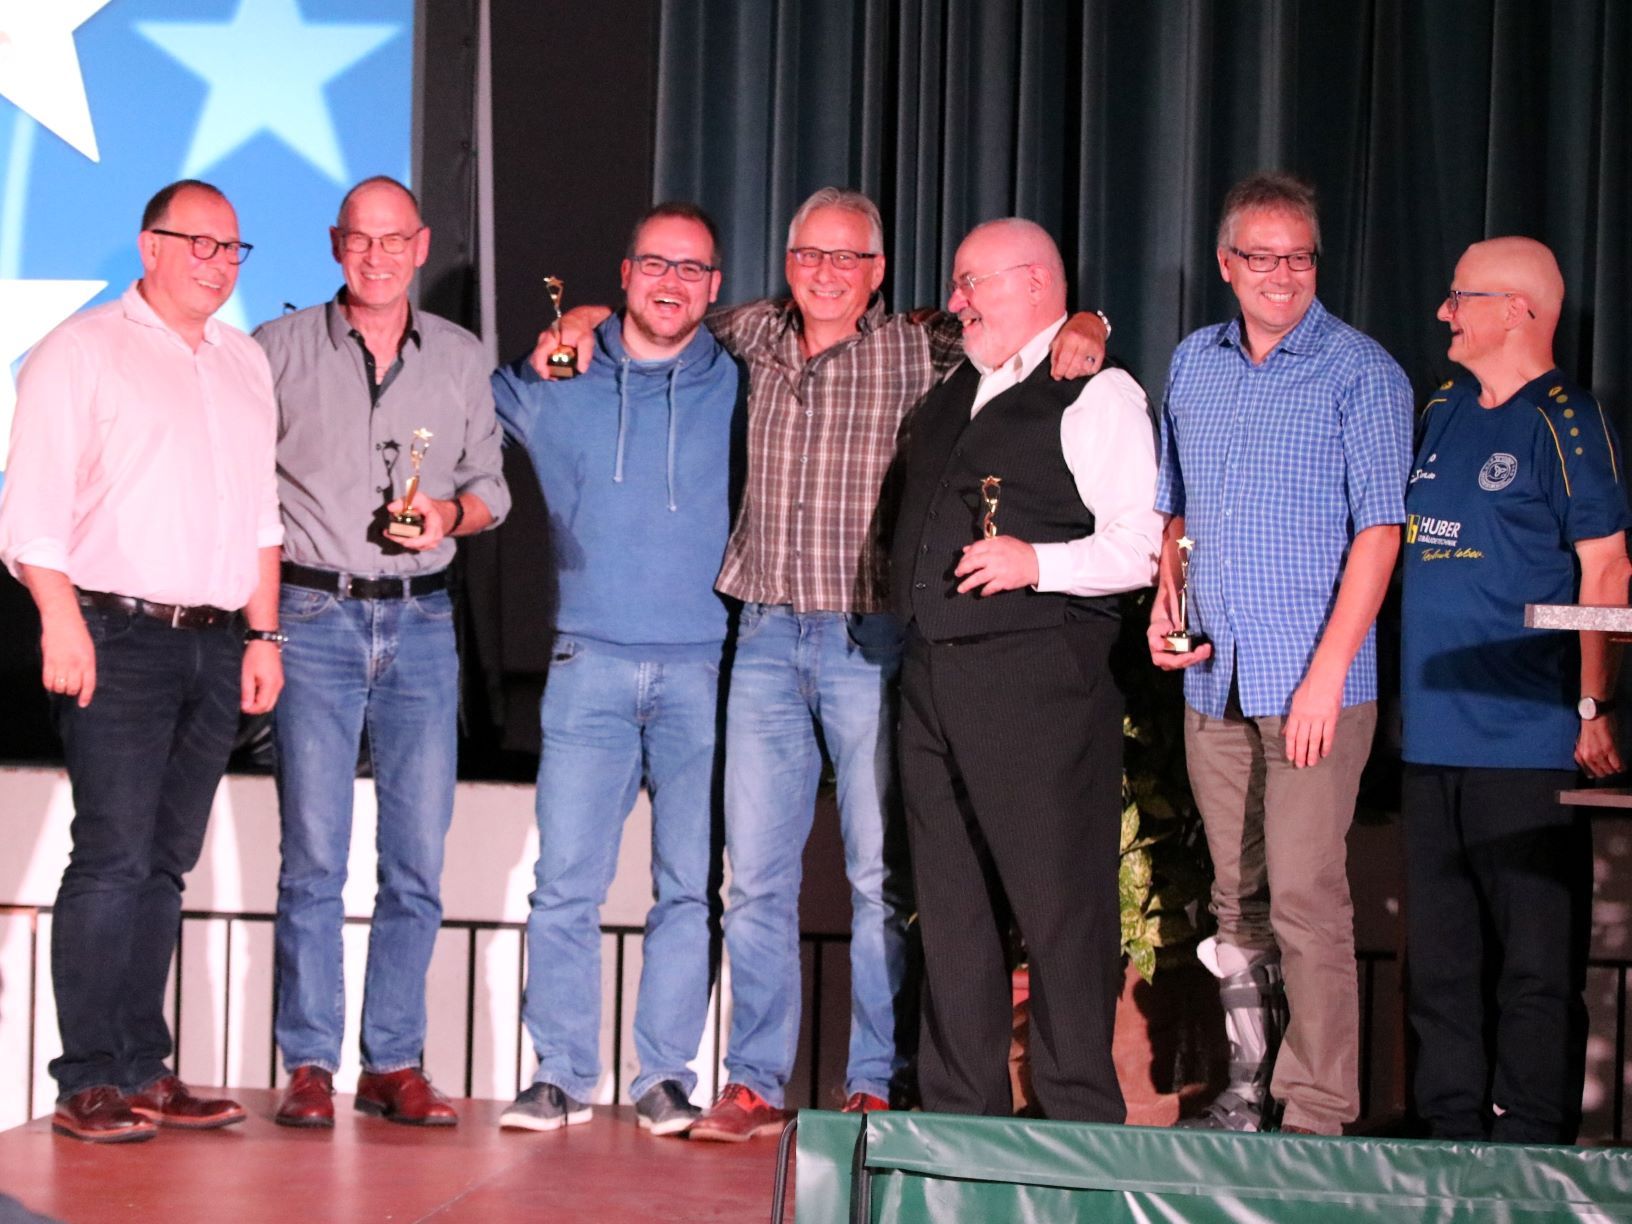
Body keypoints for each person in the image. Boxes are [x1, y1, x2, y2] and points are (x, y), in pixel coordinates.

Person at [541, 187, 1107, 1139]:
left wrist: (1091, 322)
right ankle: (754, 1082)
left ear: (877, 273)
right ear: (788, 263)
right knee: (757, 880)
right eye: (811, 254)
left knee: (879, 878)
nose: (827, 273)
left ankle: (874, 1082)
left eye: (849, 258)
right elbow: (659, 307)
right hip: (763, 639)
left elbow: (1030, 328)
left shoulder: (923, 348)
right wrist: (584, 315)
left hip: (867, 640)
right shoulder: (751, 333)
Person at [0, 180, 282, 1142]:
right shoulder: (80, 351)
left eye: (232, 248)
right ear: (148, 245)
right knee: (112, 858)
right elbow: (31, 513)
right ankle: (87, 1078)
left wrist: (264, 635)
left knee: (165, 865)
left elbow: (260, 518)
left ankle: (140, 1067)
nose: (217, 262)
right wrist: (61, 620)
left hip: (216, 642)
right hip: (115, 636)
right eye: (198, 242)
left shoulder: (244, 361)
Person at [1148, 171, 1412, 1135]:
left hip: (1314, 684)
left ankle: (1318, 1112)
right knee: (1237, 899)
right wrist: (1165, 602)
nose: (1282, 275)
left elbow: (1380, 533)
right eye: (1261, 257)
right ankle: (1248, 1093)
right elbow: (1176, 511)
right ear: (1226, 264)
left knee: (1306, 896)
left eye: (1298, 257)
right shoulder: (1195, 362)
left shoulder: (1362, 372)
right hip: (1213, 678)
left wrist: (1327, 676)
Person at [889, 218, 1160, 1120]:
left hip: (1040, 684)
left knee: (1060, 910)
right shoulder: (961, 381)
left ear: (1037, 284)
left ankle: (1080, 1124)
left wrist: (1036, 561)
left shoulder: (1096, 391)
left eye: (973, 283)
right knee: (952, 913)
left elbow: (1142, 544)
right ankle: (959, 1121)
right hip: (935, 680)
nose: (956, 300)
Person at [255, 176, 509, 1128]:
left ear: (421, 245)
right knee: (313, 859)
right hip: (313, 616)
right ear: (336, 245)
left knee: (415, 862)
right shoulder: (276, 350)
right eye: (361, 240)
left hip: (423, 624)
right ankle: (309, 1063)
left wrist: (448, 513)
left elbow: (493, 489)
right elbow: (243, 490)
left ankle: (392, 1061)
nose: (378, 256)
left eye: (394, 240)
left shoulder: (460, 356)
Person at [489, 203, 742, 1136]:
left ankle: (664, 1076)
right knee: (564, 886)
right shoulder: (560, 376)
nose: (672, 282)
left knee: (689, 889)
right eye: (655, 264)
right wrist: (566, 334)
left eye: (691, 268)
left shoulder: (743, 379)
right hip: (587, 663)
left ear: (715, 287)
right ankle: (559, 1074)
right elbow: (462, 416)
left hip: (705, 671)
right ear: (626, 273)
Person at [1401, 237, 1630, 1144]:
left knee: (1535, 960)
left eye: (1461, 297)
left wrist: (1592, 706)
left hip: (1527, 737)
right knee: (1440, 962)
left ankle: (1531, 1140)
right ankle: (1449, 1130)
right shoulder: (1442, 408)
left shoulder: (1568, 421)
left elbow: (1607, 570)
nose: (1444, 313)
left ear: (1516, 311)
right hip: (1430, 735)